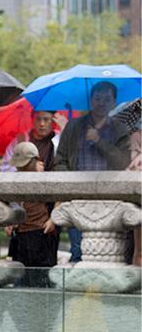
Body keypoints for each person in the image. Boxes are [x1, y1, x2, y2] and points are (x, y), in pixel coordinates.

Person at [53, 81, 131, 264]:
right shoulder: (74, 127)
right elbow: (60, 160)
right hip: (78, 198)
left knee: (109, 253)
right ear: (91, 100)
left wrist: (99, 141)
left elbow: (123, 162)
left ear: (114, 102)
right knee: (78, 250)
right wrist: (71, 182)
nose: (101, 102)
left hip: (109, 199)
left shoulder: (119, 129)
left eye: (107, 99)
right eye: (97, 98)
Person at [6, 142, 59, 288]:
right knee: (21, 277)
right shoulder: (13, 179)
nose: (20, 167)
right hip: (20, 234)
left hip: (40, 231)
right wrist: (9, 221)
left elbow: (59, 198)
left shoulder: (44, 179)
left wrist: (52, 219)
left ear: (36, 161)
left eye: (24, 164)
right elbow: (11, 203)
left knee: (42, 277)